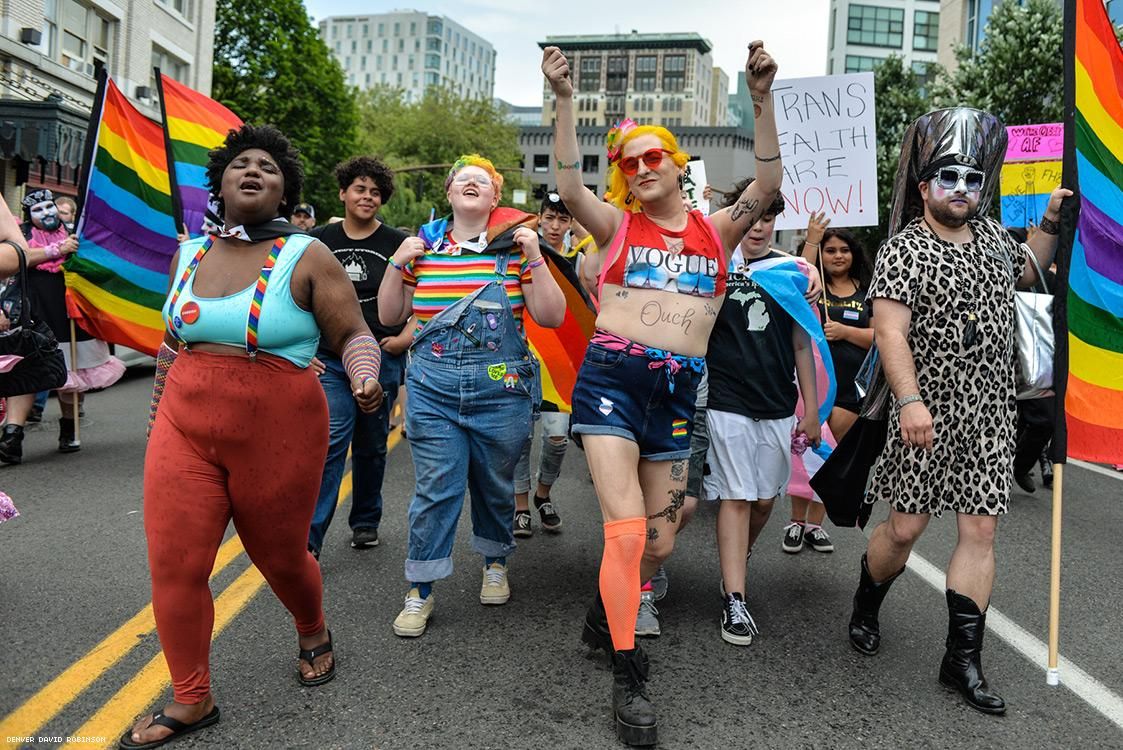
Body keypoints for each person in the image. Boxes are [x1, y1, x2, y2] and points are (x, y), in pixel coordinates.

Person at [543, 40, 781, 746]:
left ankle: (602, 611)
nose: (643, 169)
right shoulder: (615, 226)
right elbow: (565, 182)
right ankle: (627, 674)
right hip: (612, 386)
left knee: (659, 541)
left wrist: (760, 100)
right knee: (622, 531)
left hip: (679, 396)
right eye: (630, 162)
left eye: (655, 158)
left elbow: (766, 182)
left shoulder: (718, 229)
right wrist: (562, 102)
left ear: (678, 164)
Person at [122, 124, 384, 749]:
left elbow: (352, 334)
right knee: (175, 564)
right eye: (241, 163)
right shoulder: (187, 255)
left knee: (281, 558)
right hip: (184, 428)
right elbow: (170, 345)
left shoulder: (307, 254)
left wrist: (366, 377)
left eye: (267, 166)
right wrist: (157, 420)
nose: (253, 171)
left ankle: (312, 625)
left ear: (283, 188)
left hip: (281, 431)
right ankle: (191, 698)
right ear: (221, 181)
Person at [847, 107, 1072, 716]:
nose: (962, 190)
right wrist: (911, 401)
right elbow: (890, 333)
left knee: (981, 531)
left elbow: (1030, 270)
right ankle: (868, 598)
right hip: (925, 412)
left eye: (973, 180)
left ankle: (961, 661)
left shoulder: (997, 239)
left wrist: (1050, 220)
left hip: (991, 414)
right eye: (948, 178)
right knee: (904, 530)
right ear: (925, 187)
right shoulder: (904, 250)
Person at [378, 154, 565, 638]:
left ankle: (496, 560)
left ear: (495, 198)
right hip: (432, 389)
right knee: (436, 488)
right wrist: (396, 265)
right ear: (449, 192)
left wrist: (538, 256)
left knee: (495, 484)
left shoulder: (516, 249)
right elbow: (389, 314)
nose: (471, 183)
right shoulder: (422, 248)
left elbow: (551, 316)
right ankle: (420, 589)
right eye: (462, 179)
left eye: (482, 180)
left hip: (500, 392)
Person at [705, 182, 822, 646]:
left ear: (776, 221)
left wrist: (810, 410)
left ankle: (739, 558)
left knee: (764, 501)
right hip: (724, 398)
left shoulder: (792, 272)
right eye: (749, 217)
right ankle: (735, 596)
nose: (757, 227)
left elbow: (801, 343)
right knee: (735, 496)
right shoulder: (714, 264)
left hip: (776, 402)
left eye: (767, 218)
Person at [307, 157, 411, 558]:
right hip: (330, 358)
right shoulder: (318, 240)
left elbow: (420, 294)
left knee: (371, 444)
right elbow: (297, 296)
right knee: (331, 443)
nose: (367, 197)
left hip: (380, 355)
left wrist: (403, 338)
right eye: (360, 189)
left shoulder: (396, 243)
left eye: (375, 192)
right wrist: (305, 351)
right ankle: (310, 540)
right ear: (343, 193)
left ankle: (365, 521)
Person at [0, 189, 124, 464]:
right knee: (26, 370)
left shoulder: (75, 232)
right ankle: (12, 435)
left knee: (71, 370)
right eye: (38, 210)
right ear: (28, 216)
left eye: (49, 207)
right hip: (35, 310)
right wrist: (55, 250)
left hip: (70, 311)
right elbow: (20, 258)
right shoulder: (23, 234)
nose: (46, 214)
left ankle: (69, 427)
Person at [785, 219, 875, 553]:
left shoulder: (869, 291)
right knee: (804, 451)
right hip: (812, 388)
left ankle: (815, 525)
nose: (837, 256)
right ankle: (795, 521)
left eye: (844, 250)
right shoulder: (811, 286)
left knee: (831, 457)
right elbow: (800, 272)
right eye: (830, 250)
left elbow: (883, 337)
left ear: (854, 254)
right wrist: (811, 239)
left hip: (853, 390)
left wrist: (846, 332)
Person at [513, 191, 574, 538]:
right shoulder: (519, 254)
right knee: (520, 437)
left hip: (559, 365)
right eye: (548, 217)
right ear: (538, 218)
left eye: (562, 218)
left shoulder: (579, 259)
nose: (554, 225)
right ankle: (521, 505)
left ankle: (543, 495)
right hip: (522, 358)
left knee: (556, 439)